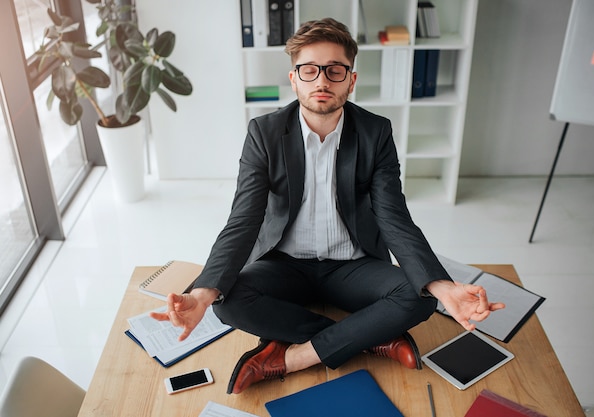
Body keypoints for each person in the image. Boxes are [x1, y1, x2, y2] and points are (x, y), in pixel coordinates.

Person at [151, 17, 505, 395]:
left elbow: (394, 219)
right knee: (227, 302)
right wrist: (203, 294)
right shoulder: (264, 133)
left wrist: (443, 286)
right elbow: (243, 220)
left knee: (419, 297)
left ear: (351, 80)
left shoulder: (376, 132)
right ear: (294, 79)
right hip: (283, 264)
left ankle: (292, 356)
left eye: (334, 71)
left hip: (352, 265)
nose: (322, 81)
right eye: (310, 70)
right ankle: (371, 339)